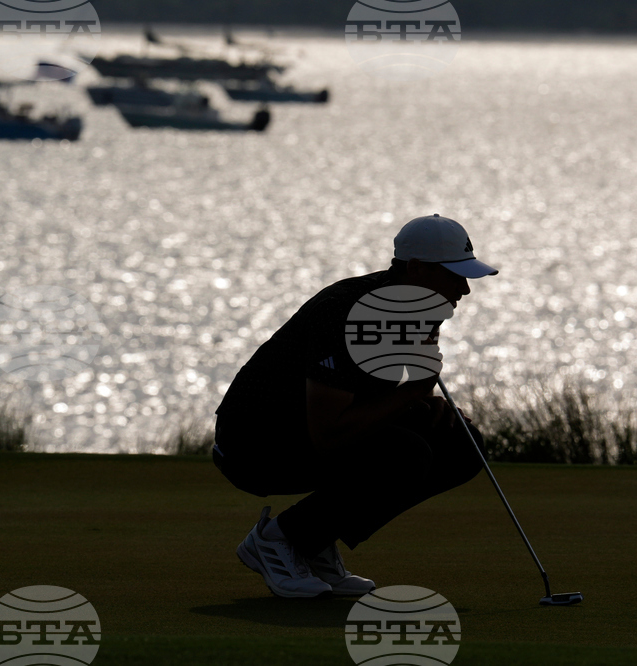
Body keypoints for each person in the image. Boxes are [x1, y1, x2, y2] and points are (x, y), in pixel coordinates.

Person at [213, 214, 499, 598]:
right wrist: (411, 395)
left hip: (309, 429)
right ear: (416, 269)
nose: (465, 289)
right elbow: (329, 435)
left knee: (460, 444)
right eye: (454, 275)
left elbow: (393, 390)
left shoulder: (423, 307)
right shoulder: (349, 313)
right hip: (253, 445)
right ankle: (279, 539)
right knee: (404, 453)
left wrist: (423, 403)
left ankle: (312, 538)